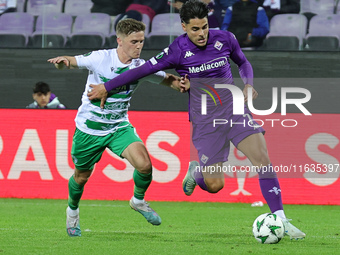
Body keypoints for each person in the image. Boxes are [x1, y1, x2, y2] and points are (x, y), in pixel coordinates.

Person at [87, 0, 306, 240]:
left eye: (204, 27)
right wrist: (107, 87)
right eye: (195, 29)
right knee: (214, 185)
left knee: (262, 158)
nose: (201, 34)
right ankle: (197, 171)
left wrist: (249, 84)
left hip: (234, 111)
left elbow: (243, 62)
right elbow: (142, 70)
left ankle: (282, 219)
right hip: (206, 121)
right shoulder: (177, 50)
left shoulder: (225, 38)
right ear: (183, 27)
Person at [47, 18, 189, 237]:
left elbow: (167, 79)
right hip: (90, 129)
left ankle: (138, 201)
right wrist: (61, 61)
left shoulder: (141, 67)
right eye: (134, 41)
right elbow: (70, 61)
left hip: (118, 127)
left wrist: (181, 83)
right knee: (81, 177)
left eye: (142, 41)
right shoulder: (101, 58)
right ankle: (72, 212)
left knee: (145, 166)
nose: (139, 46)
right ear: (119, 41)